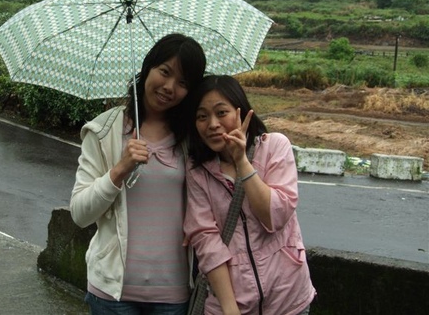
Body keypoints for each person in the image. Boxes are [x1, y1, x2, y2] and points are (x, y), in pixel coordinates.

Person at [70, 33, 207, 315]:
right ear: (147, 68)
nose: (169, 87)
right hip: (112, 294)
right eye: (165, 72)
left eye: (183, 83)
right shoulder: (104, 131)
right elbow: (80, 213)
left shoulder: (191, 137)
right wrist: (120, 169)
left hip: (174, 295)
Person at [184, 75, 316, 315]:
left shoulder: (275, 147)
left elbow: (274, 216)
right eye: (202, 117)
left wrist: (242, 162)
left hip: (288, 301)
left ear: (242, 112)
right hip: (232, 305)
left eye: (221, 113)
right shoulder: (198, 171)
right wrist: (229, 308)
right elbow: (206, 238)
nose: (212, 124)